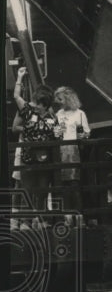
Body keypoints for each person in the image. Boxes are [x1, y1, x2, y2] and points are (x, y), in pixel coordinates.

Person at [13, 67, 58, 211]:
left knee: (43, 190)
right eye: (36, 102)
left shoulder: (53, 117)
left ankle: (39, 220)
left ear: (46, 105)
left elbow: (59, 135)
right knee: (27, 189)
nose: (36, 105)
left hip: (45, 159)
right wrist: (19, 77)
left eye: (39, 104)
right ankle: (26, 222)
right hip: (28, 157)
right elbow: (16, 97)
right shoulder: (28, 111)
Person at [53, 86, 91, 212]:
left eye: (60, 99)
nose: (58, 102)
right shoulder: (58, 114)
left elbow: (86, 132)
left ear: (68, 99)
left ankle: (78, 215)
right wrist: (56, 131)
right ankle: (67, 216)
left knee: (75, 184)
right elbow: (57, 133)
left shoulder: (80, 114)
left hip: (74, 151)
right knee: (63, 185)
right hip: (61, 150)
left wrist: (83, 135)